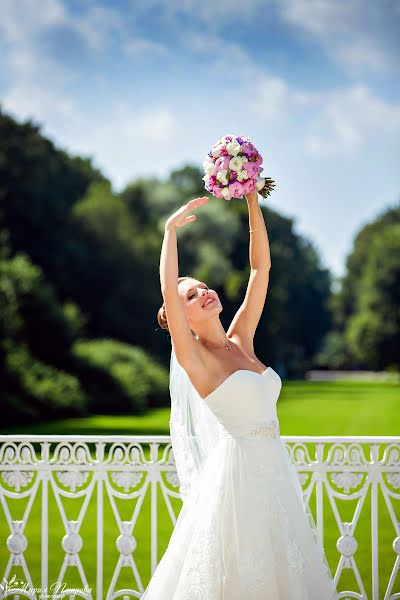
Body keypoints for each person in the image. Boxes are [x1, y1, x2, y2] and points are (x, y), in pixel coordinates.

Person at [142, 191, 337, 599]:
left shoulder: (241, 337)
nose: (204, 293)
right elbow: (168, 289)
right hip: (237, 479)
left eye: (203, 287)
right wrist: (169, 232)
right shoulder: (196, 358)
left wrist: (251, 199)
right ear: (184, 320)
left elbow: (260, 267)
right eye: (191, 296)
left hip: (275, 470)